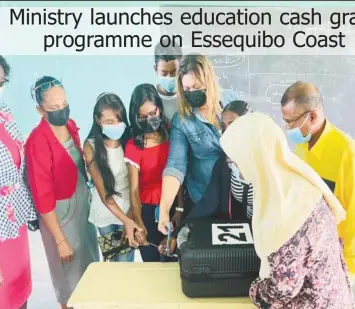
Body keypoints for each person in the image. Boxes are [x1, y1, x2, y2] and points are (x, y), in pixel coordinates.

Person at [220, 112, 354, 309]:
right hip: (334, 294)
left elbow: (281, 290)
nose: (236, 167)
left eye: (237, 160)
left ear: (255, 157)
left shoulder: (286, 214)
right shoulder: (293, 184)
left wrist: (254, 289)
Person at [280, 81, 355, 285]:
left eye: (291, 122)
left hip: (333, 254)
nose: (288, 129)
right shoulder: (303, 143)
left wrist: (350, 269)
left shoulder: (346, 151)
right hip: (308, 246)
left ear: (311, 116)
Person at [25, 76, 100, 309]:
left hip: (81, 211)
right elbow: (42, 197)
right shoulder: (37, 142)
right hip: (59, 217)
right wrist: (60, 241)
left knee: (89, 268)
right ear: (40, 110)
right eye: (54, 108)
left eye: (64, 104)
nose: (62, 111)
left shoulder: (70, 125)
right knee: (68, 279)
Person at [157, 53, 239, 236]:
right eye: (186, 89)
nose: (191, 93)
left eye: (196, 87)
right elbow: (175, 166)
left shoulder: (232, 101)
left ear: (209, 81)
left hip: (237, 198)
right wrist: (164, 210)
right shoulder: (182, 120)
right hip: (204, 200)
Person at [0, 43, 37, 309]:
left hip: (15, 227)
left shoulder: (4, 113)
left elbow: (20, 167)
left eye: (1, 83)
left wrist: (33, 209)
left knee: (19, 296)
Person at [125, 83, 181, 262]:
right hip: (147, 211)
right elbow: (133, 191)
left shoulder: (172, 134)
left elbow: (179, 174)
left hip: (172, 205)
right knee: (152, 262)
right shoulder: (133, 146)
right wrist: (139, 223)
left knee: (174, 258)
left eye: (153, 113)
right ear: (135, 117)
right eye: (142, 117)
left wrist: (180, 209)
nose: (149, 119)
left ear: (160, 108)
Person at [84, 92, 142, 262]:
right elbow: (104, 194)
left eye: (119, 120)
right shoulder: (91, 146)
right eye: (109, 122)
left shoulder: (131, 141)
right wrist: (125, 220)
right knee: (113, 260)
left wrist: (130, 218)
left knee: (125, 261)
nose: (116, 125)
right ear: (97, 120)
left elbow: (137, 186)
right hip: (105, 213)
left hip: (128, 208)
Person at [153, 39, 182, 122]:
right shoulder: (150, 98)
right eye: (164, 73)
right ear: (156, 70)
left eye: (174, 72)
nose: (169, 77)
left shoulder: (189, 95)